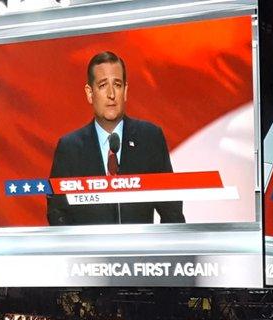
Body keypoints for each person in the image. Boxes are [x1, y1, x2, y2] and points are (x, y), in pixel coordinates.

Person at [46, 52, 184, 226]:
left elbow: (172, 213)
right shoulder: (70, 148)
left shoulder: (150, 138)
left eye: (117, 85)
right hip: (90, 251)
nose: (111, 94)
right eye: (103, 85)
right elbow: (57, 214)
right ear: (90, 93)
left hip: (140, 251)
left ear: (125, 91)